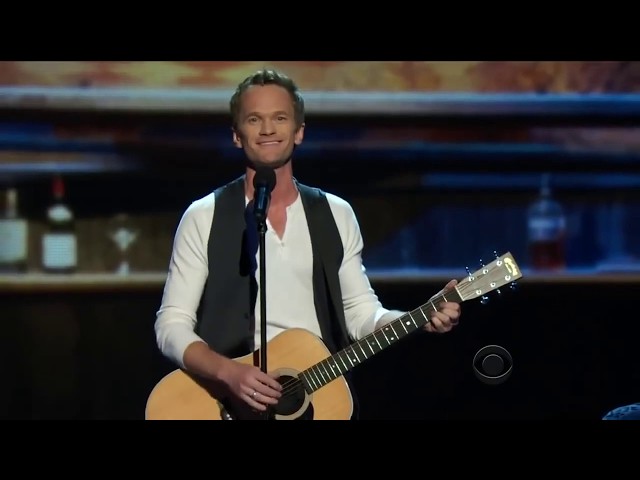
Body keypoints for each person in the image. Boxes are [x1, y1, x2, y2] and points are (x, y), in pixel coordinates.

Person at [153, 68, 462, 420]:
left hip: (315, 400)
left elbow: (361, 315)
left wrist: (415, 318)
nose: (268, 129)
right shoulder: (204, 216)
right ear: (237, 135)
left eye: (280, 118)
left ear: (299, 131)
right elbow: (171, 325)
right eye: (255, 119)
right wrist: (229, 373)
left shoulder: (336, 214)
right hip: (225, 404)